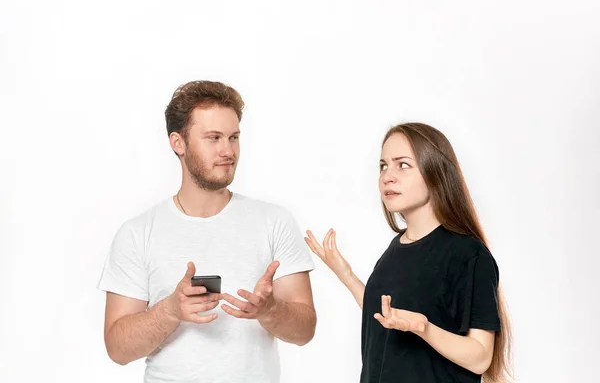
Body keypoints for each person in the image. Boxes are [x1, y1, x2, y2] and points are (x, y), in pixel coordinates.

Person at [98, 80, 317, 383]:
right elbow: (117, 349)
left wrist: (271, 310)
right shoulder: (137, 233)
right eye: (213, 138)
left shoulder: (274, 221)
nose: (228, 151)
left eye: (234, 137)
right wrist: (170, 310)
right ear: (178, 143)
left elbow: (305, 330)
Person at [305, 123, 513, 383]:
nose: (387, 177)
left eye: (402, 164)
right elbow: (384, 315)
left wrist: (424, 329)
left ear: (435, 171)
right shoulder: (395, 249)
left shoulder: (468, 255)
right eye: (383, 166)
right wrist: (345, 274)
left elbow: (481, 356)